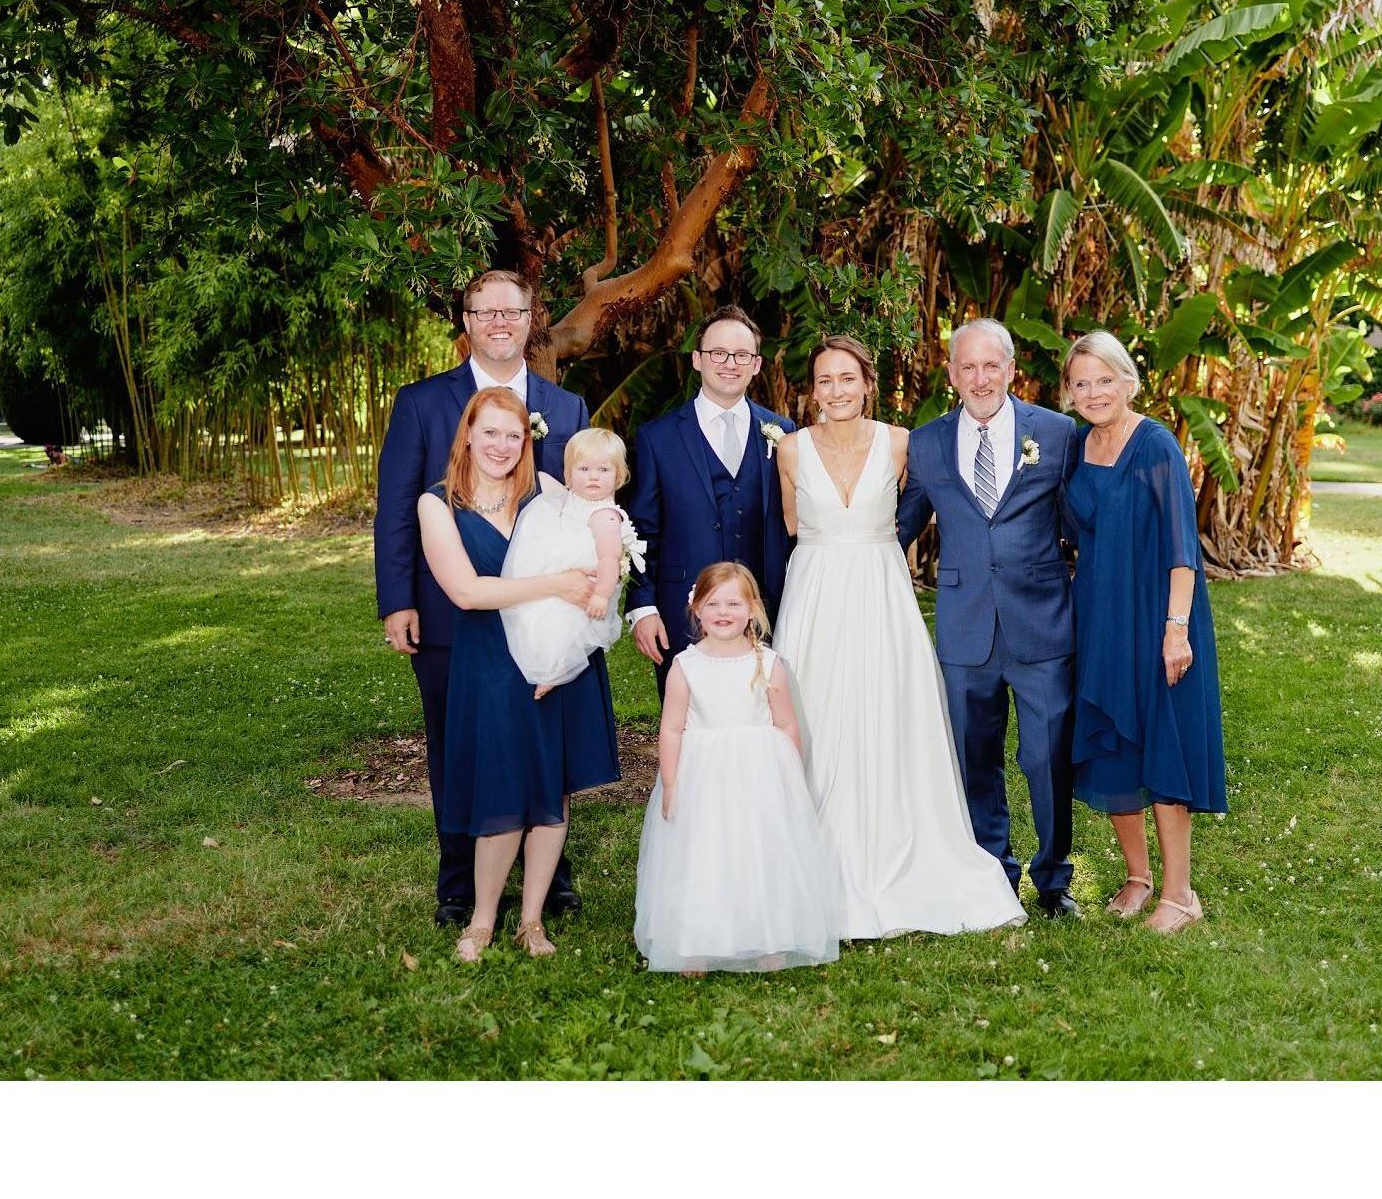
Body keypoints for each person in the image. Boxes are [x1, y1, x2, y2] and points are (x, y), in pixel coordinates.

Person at [773, 337, 1024, 939]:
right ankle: (812, 862)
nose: (836, 390)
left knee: (886, 714)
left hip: (881, 595)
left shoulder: (900, 443)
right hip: (815, 595)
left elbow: (926, 507)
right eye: (824, 380)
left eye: (847, 378)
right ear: (813, 390)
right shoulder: (790, 449)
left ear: (867, 383)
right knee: (816, 716)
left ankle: (901, 853)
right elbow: (791, 522)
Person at [373, 267, 588, 926]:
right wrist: (397, 600)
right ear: (465, 323)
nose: (499, 322)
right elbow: (395, 511)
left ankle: (551, 882)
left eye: (512, 311)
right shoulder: (421, 402)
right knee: (455, 743)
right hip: (448, 613)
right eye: (484, 311)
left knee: (541, 739)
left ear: (531, 320)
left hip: (546, 616)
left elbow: (584, 512)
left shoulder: (567, 408)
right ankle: (459, 884)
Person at [416, 386, 621, 962]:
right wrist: (555, 584)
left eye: (513, 434)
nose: (502, 445)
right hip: (490, 661)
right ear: (468, 435)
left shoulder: (549, 491)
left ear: (526, 438)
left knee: (551, 791)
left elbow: (606, 548)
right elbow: (465, 591)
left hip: (556, 659)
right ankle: (482, 919)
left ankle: (531, 920)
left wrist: (579, 632)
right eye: (490, 433)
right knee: (503, 790)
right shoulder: (438, 505)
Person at [897, 318, 1083, 916]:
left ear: (1011, 370)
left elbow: (1085, 527)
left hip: (1042, 622)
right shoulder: (925, 444)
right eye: (967, 367)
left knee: (1045, 756)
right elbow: (896, 529)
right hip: (964, 624)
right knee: (974, 755)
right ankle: (992, 871)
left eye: (991, 366)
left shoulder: (1056, 434)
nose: (980, 378)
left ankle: (1053, 880)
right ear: (951, 375)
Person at [1061, 330, 1226, 933]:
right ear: (1069, 392)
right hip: (1098, 616)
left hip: (1156, 614)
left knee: (1162, 744)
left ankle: (1180, 894)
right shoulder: (1076, 445)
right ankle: (1138, 877)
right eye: (1082, 383)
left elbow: (1184, 548)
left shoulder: (1156, 444)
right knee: (1112, 742)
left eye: (1106, 380)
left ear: (1129, 382)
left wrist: (1176, 630)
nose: (1095, 392)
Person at [634, 564, 842, 975]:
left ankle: (768, 936)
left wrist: (790, 778)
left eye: (733, 603)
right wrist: (672, 783)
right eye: (712, 603)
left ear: (752, 610)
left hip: (759, 778)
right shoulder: (686, 666)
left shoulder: (768, 663)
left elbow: (786, 724)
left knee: (760, 855)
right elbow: (673, 727)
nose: (723, 612)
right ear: (696, 608)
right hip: (703, 779)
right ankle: (696, 941)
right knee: (704, 855)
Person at [625, 306, 794, 696]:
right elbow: (641, 531)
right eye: (718, 353)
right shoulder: (658, 437)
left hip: (762, 611)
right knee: (686, 728)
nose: (730, 363)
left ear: (756, 365)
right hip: (680, 611)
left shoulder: (783, 433)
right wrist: (644, 607)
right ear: (698, 359)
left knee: (758, 722)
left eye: (742, 355)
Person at [500, 428, 643, 697]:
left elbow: (609, 558)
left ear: (619, 477)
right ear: (568, 474)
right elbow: (550, 489)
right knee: (536, 615)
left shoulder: (605, 515)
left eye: (603, 470)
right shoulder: (573, 498)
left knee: (562, 626)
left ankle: (555, 670)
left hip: (589, 584)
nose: (592, 477)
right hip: (563, 572)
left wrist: (601, 595)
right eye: (584, 468)